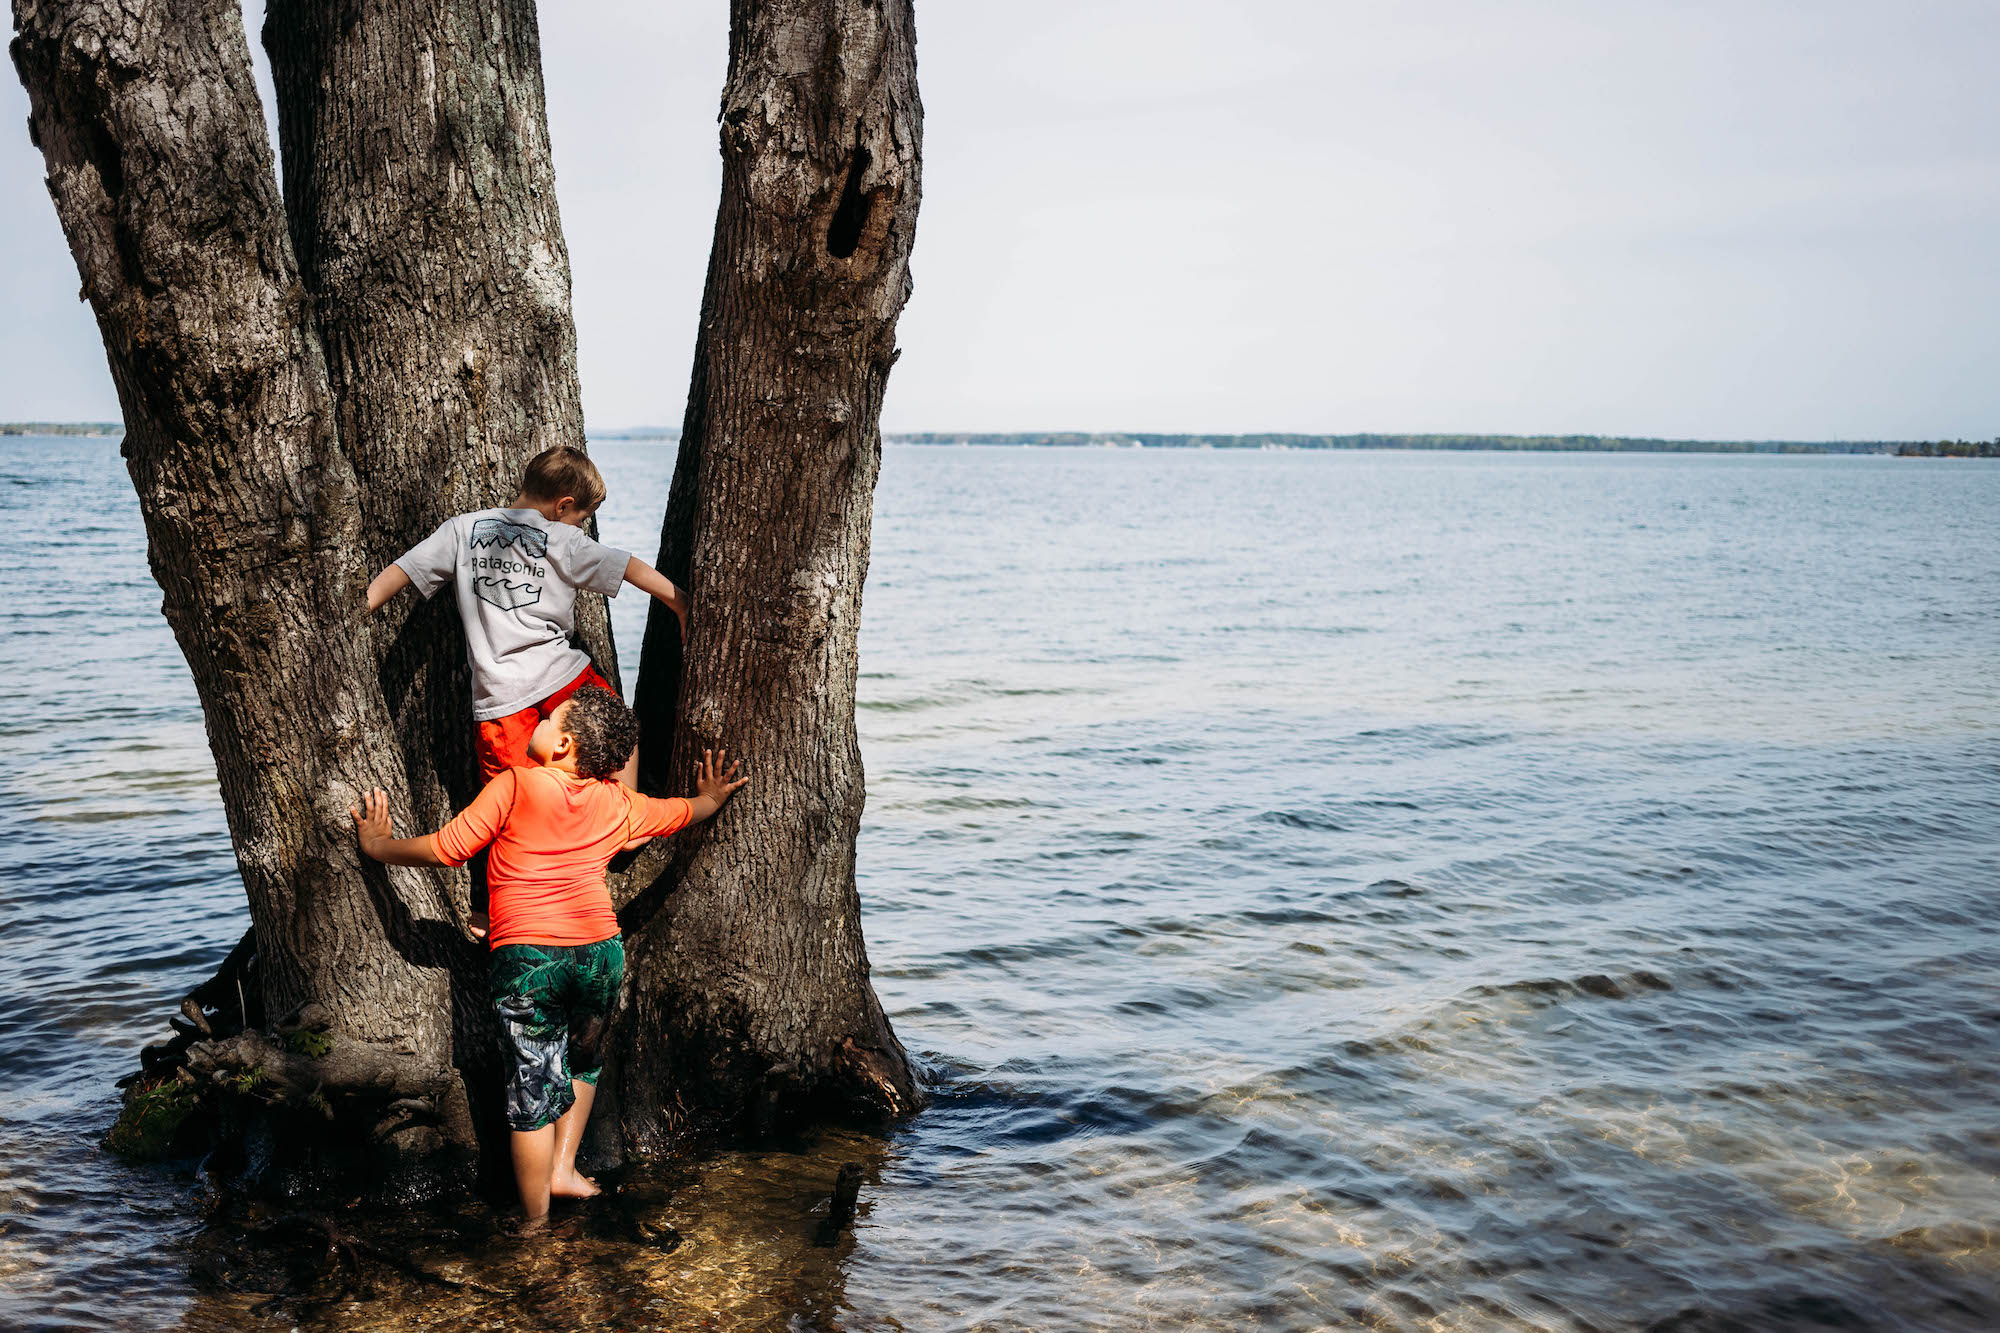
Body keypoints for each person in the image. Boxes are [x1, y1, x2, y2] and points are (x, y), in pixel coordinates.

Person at [350, 685, 748, 1224]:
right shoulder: (619, 803)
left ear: (561, 744)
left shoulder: (515, 785)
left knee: (532, 1087)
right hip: (599, 956)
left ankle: (535, 1224)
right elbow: (679, 813)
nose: (537, 720)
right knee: (585, 1060)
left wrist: (379, 847)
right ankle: (564, 1168)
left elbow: (447, 848)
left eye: (548, 717)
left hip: (530, 960)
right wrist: (712, 799)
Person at [364, 445, 689, 790]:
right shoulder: (563, 539)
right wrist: (681, 603)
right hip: (561, 674)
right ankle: (625, 815)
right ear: (563, 505)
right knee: (622, 735)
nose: (580, 526)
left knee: (514, 797)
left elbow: (403, 570)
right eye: (581, 518)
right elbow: (627, 567)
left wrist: (360, 609)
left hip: (499, 692)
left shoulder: (462, 530)